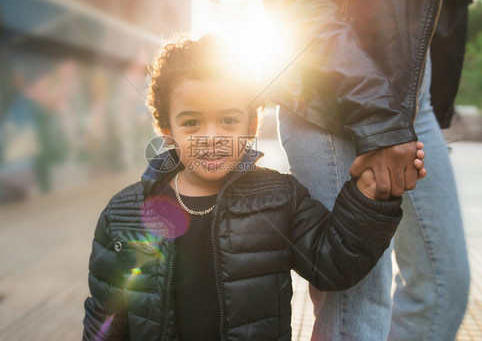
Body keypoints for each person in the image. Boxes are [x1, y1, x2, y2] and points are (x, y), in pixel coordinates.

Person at [82, 36, 426, 340]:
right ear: (167, 129)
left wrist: (371, 195)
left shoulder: (279, 197)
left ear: (251, 124)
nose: (212, 137)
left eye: (229, 120)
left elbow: (333, 263)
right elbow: (106, 318)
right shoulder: (125, 213)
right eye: (192, 122)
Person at [263, 0, 475, 339]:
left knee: (442, 288)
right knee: (356, 303)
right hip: (331, 95)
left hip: (414, 98)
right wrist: (378, 118)